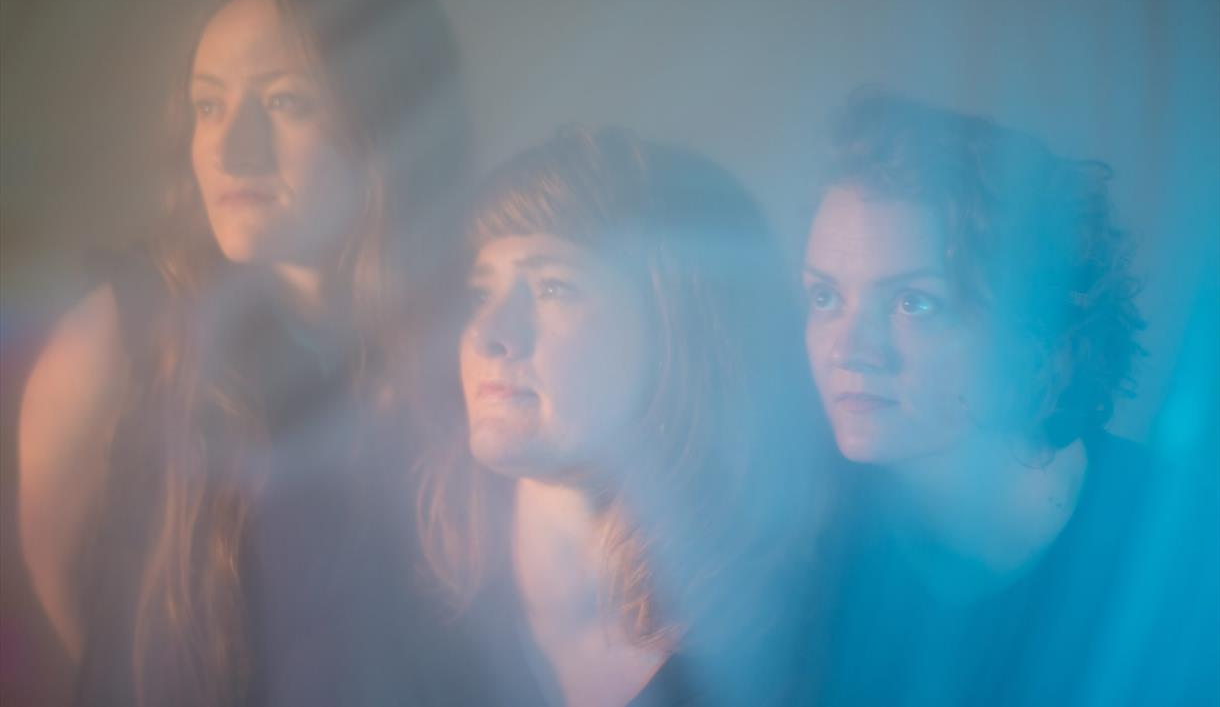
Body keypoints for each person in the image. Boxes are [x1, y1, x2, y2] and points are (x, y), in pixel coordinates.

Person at [16, 0, 466, 704]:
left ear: (387, 113)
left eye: (286, 102)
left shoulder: (474, 339)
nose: (229, 150)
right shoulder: (122, 336)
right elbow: (65, 596)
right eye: (208, 106)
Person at [414, 127, 826, 706]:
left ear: (680, 328)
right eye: (481, 292)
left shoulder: (811, 637)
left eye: (554, 287)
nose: (488, 334)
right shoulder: (395, 583)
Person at [800, 91, 1155, 705]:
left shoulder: (1182, 539)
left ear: (1034, 329)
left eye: (915, 303)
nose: (848, 349)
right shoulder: (783, 536)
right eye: (826, 297)